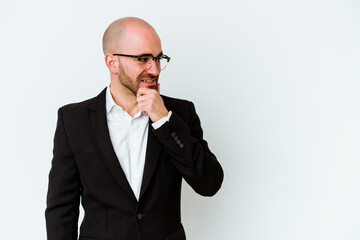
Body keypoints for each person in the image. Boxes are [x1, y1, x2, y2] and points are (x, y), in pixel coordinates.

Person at [45, 17, 224, 240]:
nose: (155, 69)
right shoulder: (73, 120)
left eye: (158, 59)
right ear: (112, 63)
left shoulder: (180, 113)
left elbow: (209, 183)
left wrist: (163, 121)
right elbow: (61, 208)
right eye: (143, 59)